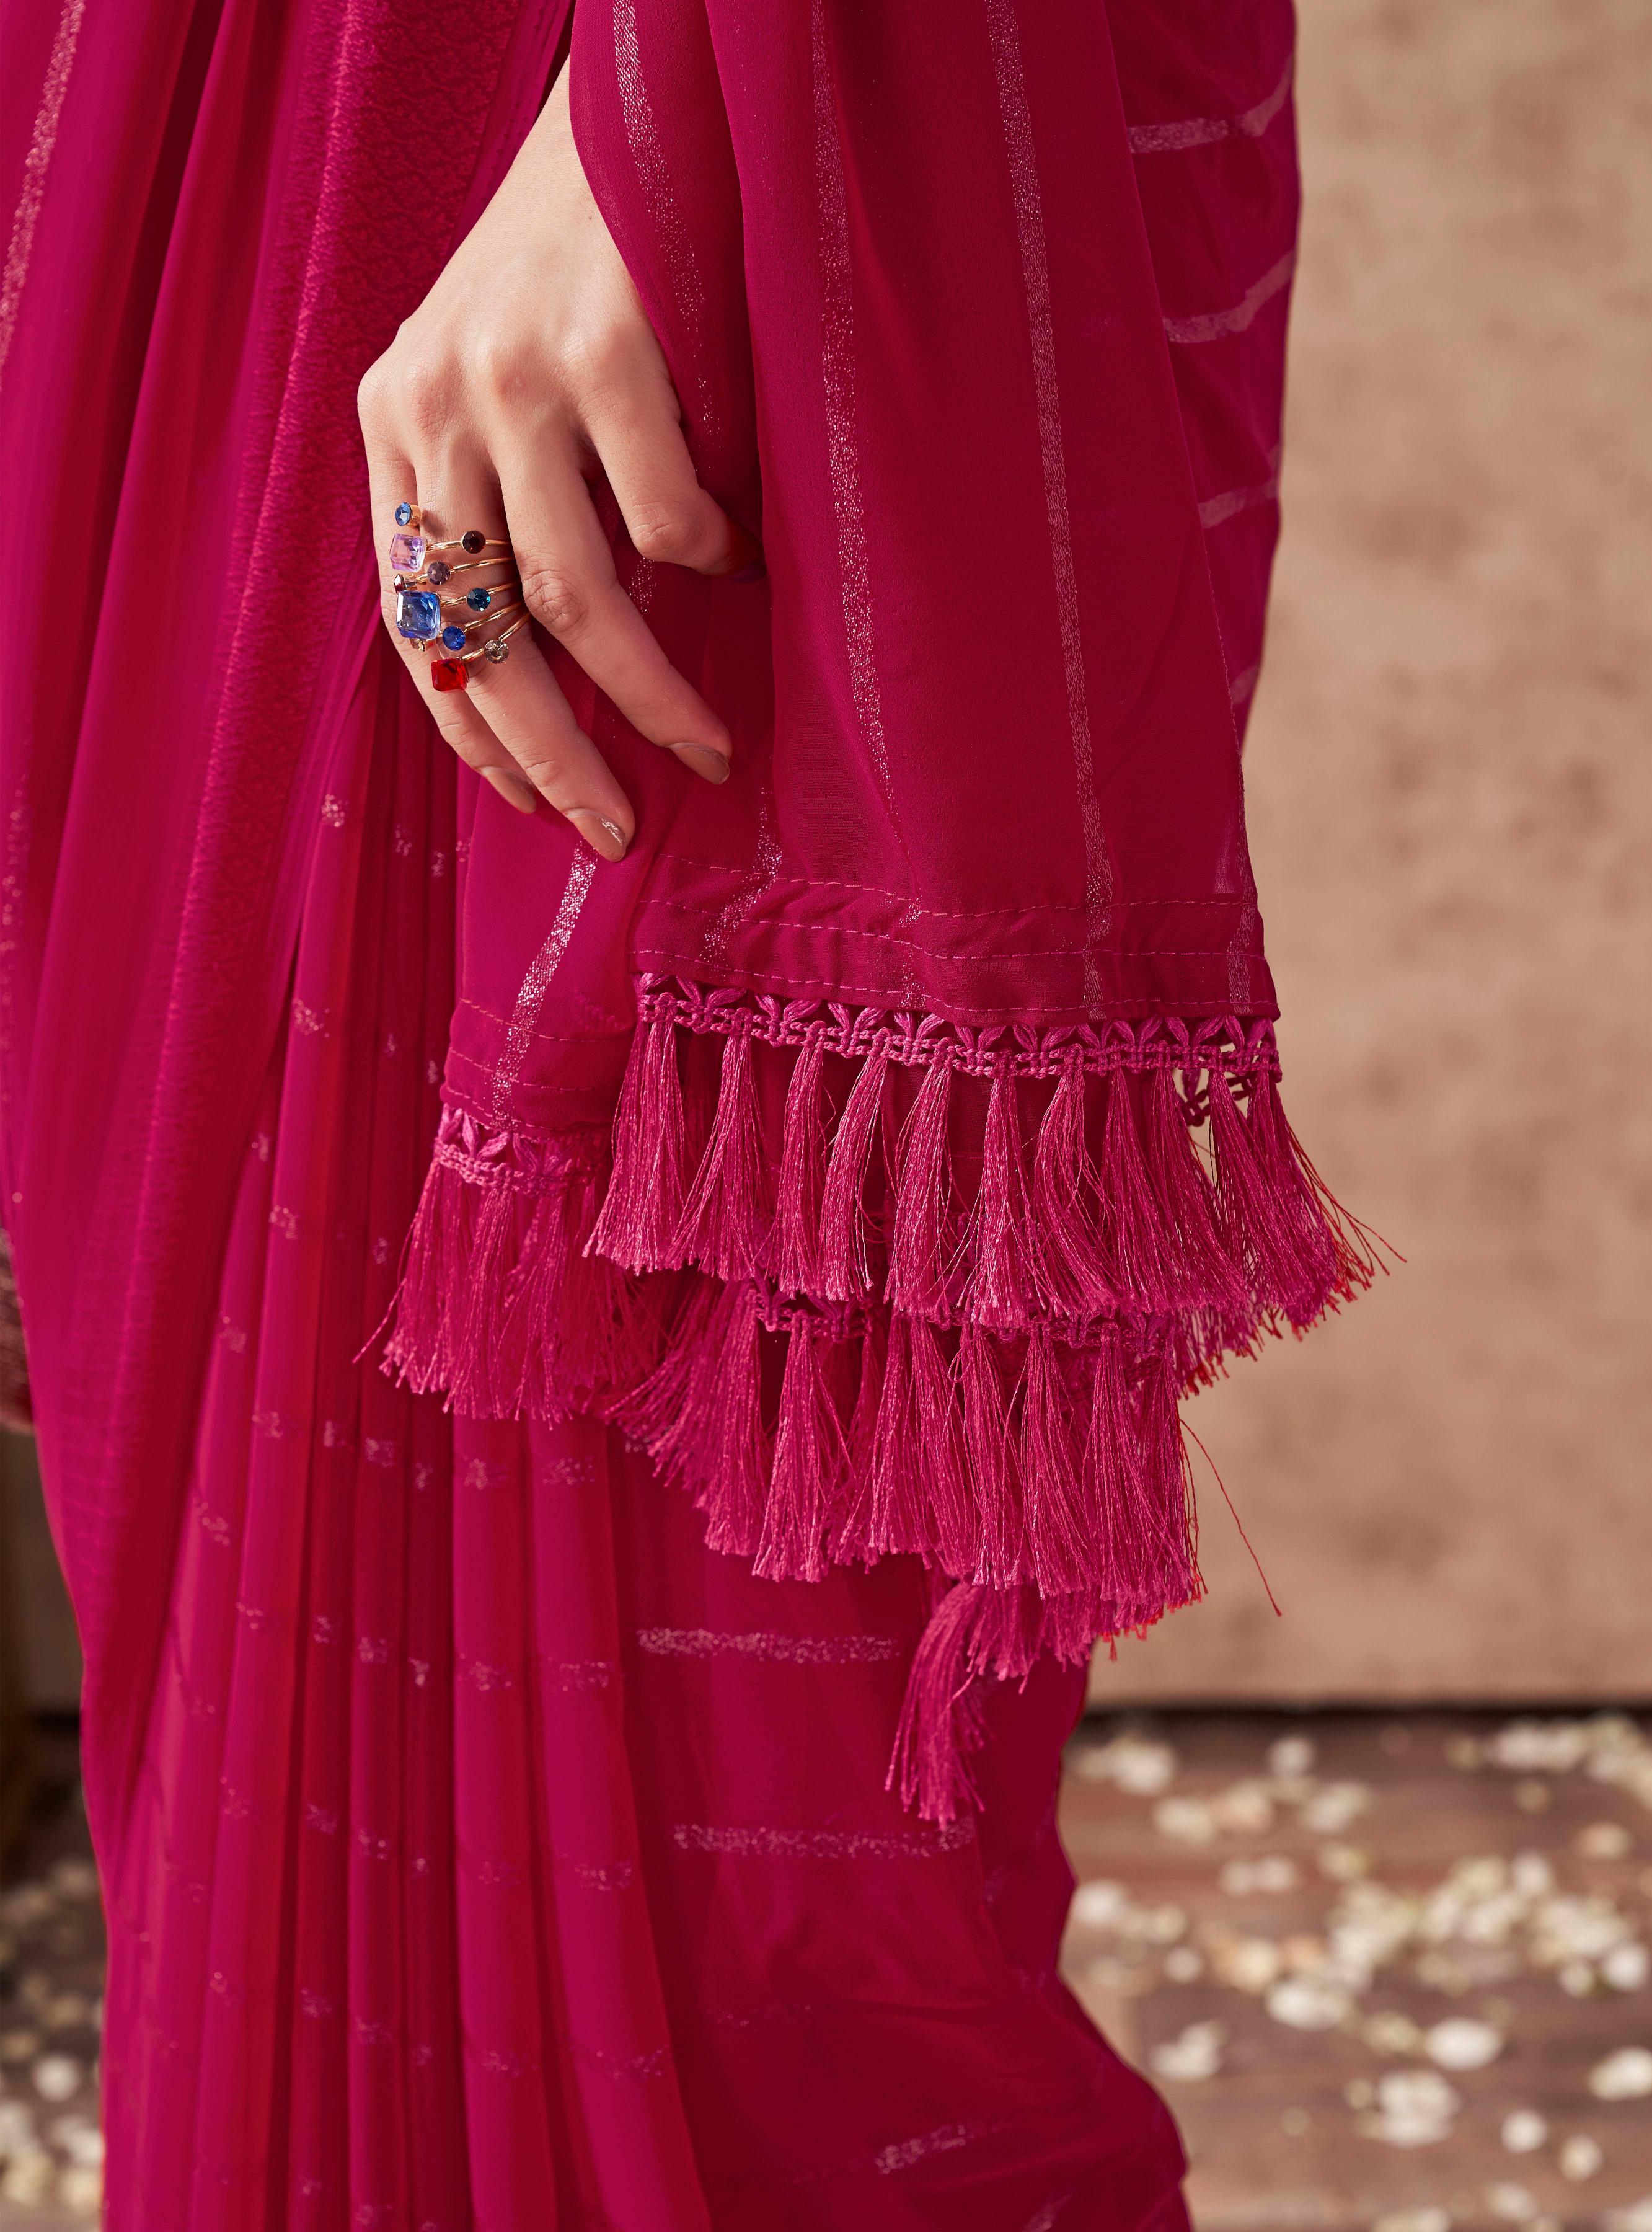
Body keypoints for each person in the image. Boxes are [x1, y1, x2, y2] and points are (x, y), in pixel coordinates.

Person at [0, 0, 1369, 2220]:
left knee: (780, 1817)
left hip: (727, 114)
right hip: (199, 147)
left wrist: (650, 112)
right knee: (249, 1582)